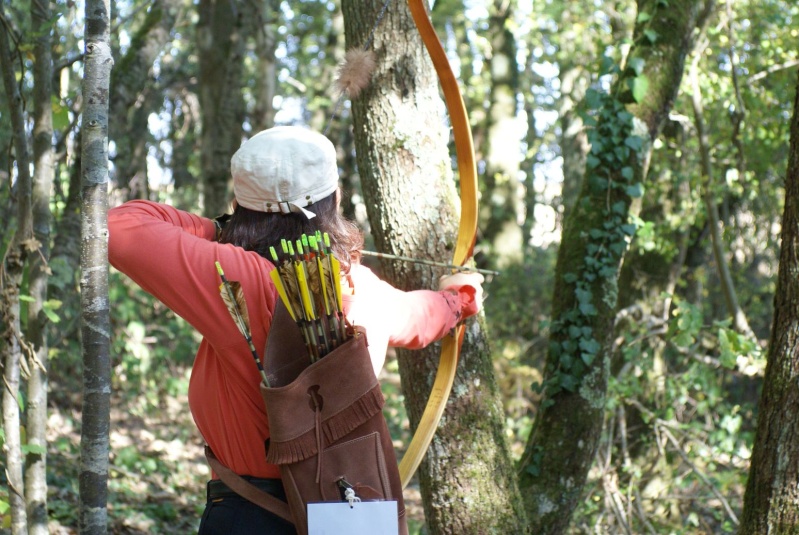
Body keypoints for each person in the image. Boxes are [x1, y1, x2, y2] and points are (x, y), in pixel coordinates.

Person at [108, 125, 484, 534]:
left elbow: (120, 225)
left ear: (239, 204)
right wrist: (460, 299)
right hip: (341, 511)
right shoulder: (358, 286)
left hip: (247, 517)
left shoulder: (238, 278)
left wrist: (224, 228)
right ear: (333, 200)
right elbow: (420, 315)